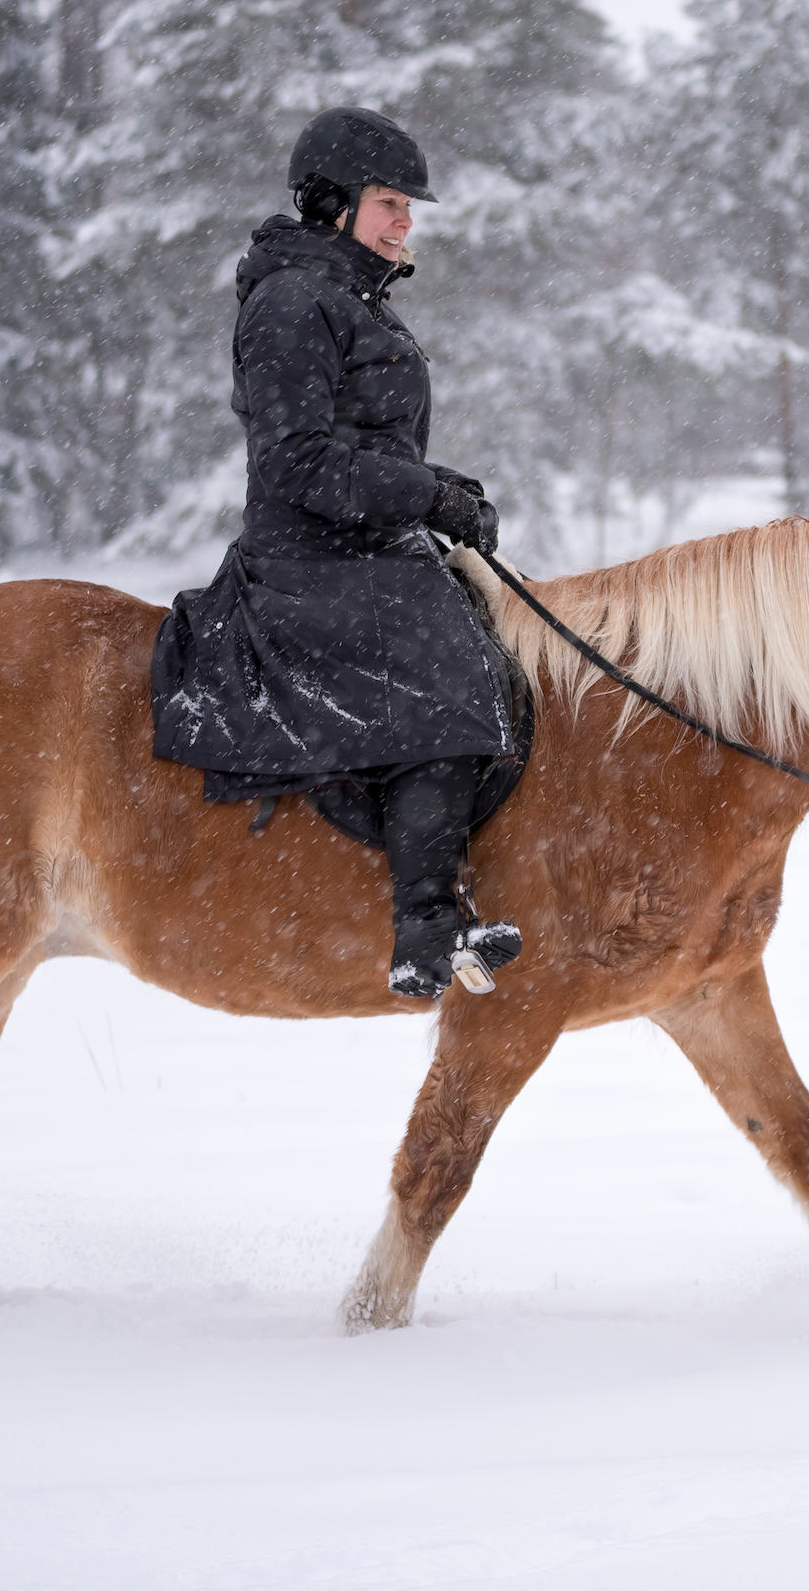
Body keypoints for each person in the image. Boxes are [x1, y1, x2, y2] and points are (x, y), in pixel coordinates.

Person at [149, 106, 522, 1001]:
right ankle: (427, 927)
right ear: (334, 203)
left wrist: (442, 488)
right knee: (446, 674)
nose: (404, 223)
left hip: (368, 545)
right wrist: (422, 495)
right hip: (311, 561)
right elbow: (295, 461)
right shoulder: (293, 301)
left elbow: (365, 442)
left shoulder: (347, 297)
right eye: (390, 204)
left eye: (408, 208)